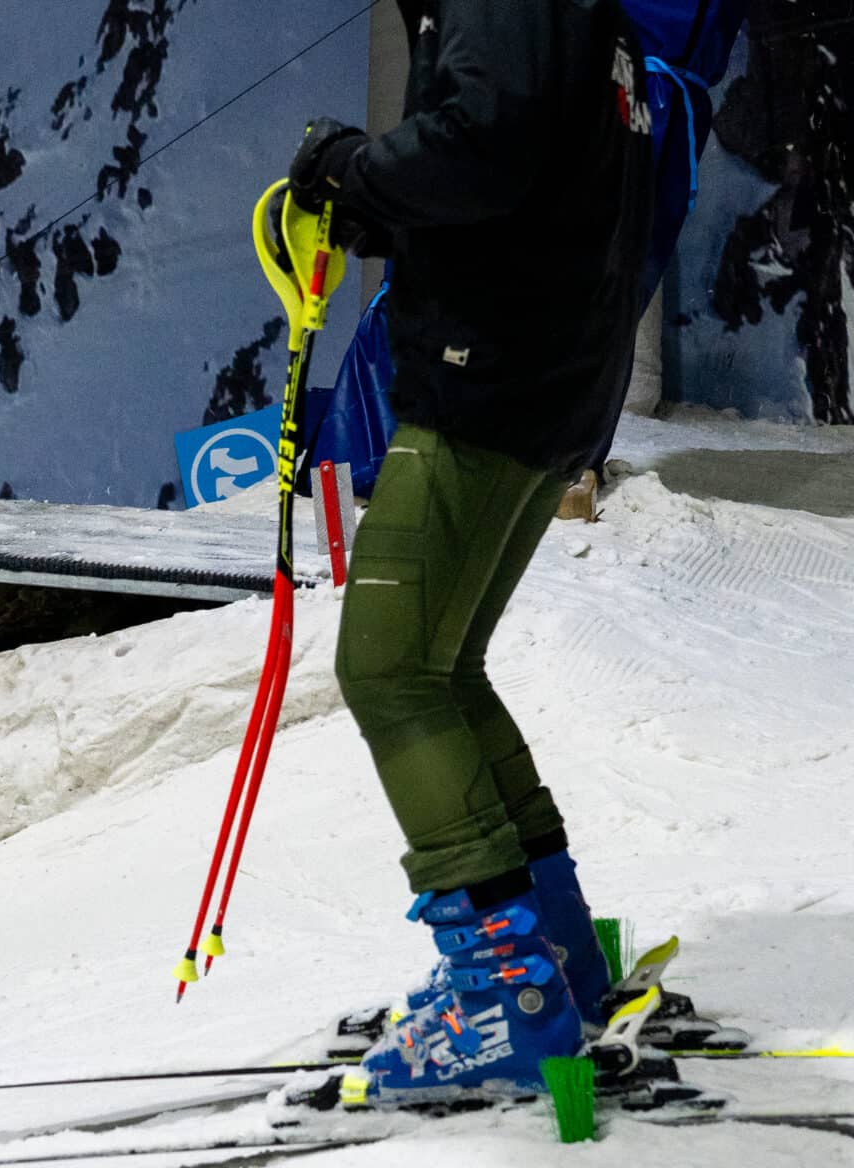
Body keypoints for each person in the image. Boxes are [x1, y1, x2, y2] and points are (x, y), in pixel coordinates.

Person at [284, 0, 655, 1106]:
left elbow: (482, 148)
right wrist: (382, 212)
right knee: (443, 670)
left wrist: (347, 171)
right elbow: (525, 170)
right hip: (540, 369)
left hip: (491, 377)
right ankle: (555, 959)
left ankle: (505, 993)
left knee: (391, 671)